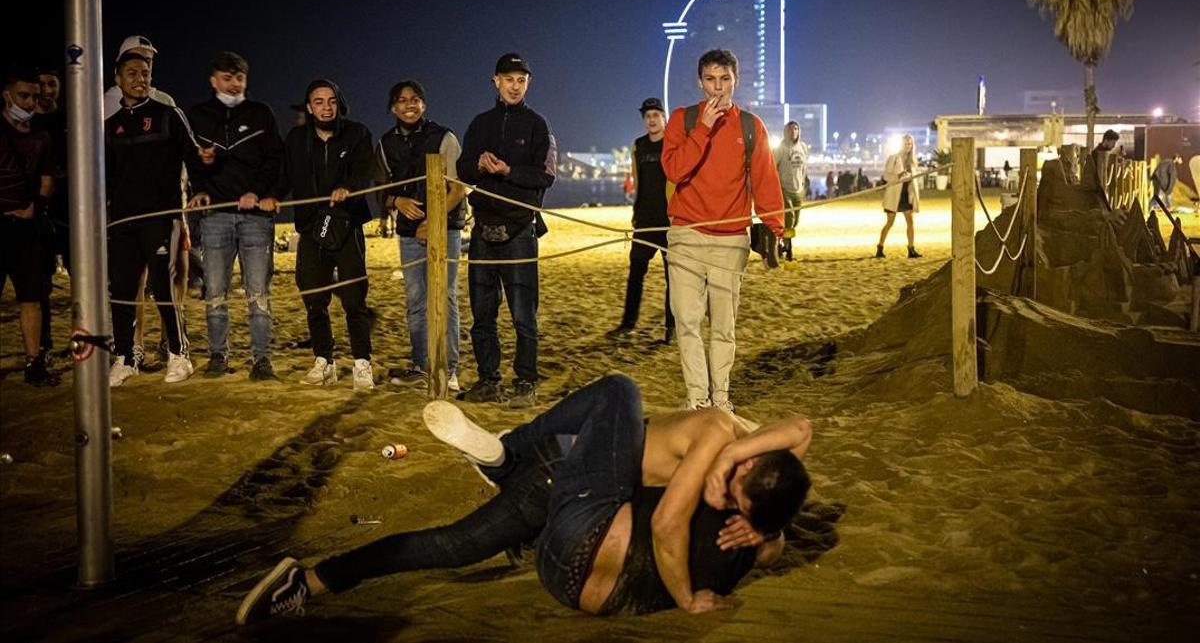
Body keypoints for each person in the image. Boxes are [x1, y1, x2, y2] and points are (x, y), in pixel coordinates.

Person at [235, 373, 812, 624]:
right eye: (734, 485)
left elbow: (796, 437)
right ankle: (506, 456)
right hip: (581, 476)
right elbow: (799, 431)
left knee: (456, 546)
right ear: (754, 457)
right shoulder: (720, 432)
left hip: (573, 476)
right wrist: (688, 599)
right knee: (621, 391)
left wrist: (760, 526)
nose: (724, 495)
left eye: (734, 502)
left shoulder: (752, 467)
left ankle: (309, 581)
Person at [661, 49, 784, 412]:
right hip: (685, 234)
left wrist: (775, 228)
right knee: (686, 320)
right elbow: (674, 171)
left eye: (725, 79)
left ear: (736, 80)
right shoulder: (682, 120)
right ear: (700, 82)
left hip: (731, 239)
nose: (718, 87)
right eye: (711, 79)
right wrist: (702, 130)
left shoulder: (750, 125)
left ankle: (721, 398)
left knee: (724, 327)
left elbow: (764, 179)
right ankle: (698, 398)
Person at [261, 80, 375, 390]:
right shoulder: (297, 139)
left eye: (331, 101)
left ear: (339, 103)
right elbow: (284, 175)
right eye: (319, 101)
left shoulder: (357, 133)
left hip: (346, 224)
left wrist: (349, 189)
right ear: (309, 107)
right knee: (313, 296)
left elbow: (366, 171)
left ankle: (362, 363)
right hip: (311, 227)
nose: (326, 106)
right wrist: (273, 196)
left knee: (354, 297)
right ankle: (324, 361)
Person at [456, 53, 556, 406]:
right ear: (495, 81)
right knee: (482, 314)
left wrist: (507, 171)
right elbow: (462, 169)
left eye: (521, 80)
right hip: (482, 230)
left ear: (528, 83)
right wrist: (478, 165)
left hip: (520, 231)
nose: (515, 86)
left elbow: (545, 175)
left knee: (523, 315)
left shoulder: (537, 124)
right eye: (509, 79)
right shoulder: (480, 122)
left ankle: (526, 381)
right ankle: (488, 380)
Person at [186, 51, 284, 381]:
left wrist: (257, 193)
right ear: (214, 80)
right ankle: (218, 356)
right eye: (227, 77)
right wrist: (202, 174)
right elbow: (189, 161)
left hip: (255, 217)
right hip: (214, 216)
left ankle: (262, 360)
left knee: (258, 292)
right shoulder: (197, 116)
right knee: (215, 292)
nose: (233, 84)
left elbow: (275, 160)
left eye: (239, 77)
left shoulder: (261, 113)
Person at [104, 52, 196, 386]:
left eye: (145, 73)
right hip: (123, 224)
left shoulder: (169, 115)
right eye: (132, 73)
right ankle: (126, 358)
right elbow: (105, 177)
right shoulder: (109, 126)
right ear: (118, 79)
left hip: (162, 218)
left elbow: (195, 157)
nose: (140, 79)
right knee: (124, 290)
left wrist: (200, 190)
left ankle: (179, 355)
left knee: (163, 287)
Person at [375, 80, 466, 392]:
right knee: (415, 299)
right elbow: (382, 191)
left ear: (424, 105)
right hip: (407, 233)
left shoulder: (443, 136)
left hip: (447, 228)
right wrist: (397, 202)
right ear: (393, 108)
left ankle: (449, 368)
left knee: (446, 296)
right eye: (402, 100)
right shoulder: (386, 143)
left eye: (415, 99)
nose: (409, 105)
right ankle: (420, 364)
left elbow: (458, 188)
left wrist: (435, 220)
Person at [1, 70, 59, 386]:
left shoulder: (41, 137)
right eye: (24, 95)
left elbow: (48, 178)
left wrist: (36, 203)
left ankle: (34, 362)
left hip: (26, 227)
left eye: (35, 97)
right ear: (7, 95)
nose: (31, 102)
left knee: (31, 298)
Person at [607, 97, 675, 344]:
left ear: (664, 117)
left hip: (670, 221)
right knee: (635, 273)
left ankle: (671, 327)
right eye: (647, 116)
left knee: (673, 279)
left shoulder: (673, 143)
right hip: (645, 220)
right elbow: (638, 183)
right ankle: (628, 323)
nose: (652, 120)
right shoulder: (638, 146)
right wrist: (636, 214)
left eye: (656, 115)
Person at [32, 67, 67, 362]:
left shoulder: (71, 119)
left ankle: (85, 337)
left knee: (84, 277)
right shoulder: (27, 123)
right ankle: (44, 345)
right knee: (41, 281)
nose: (47, 89)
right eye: (42, 83)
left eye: (52, 83)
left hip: (71, 208)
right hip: (40, 209)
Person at [875, 133, 922, 259]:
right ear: (902, 144)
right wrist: (899, 176)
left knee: (910, 222)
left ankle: (911, 249)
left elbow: (914, 180)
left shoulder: (913, 161)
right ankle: (880, 247)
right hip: (895, 194)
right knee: (890, 222)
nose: (908, 146)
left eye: (910, 143)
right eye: (906, 143)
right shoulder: (894, 158)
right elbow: (886, 176)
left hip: (907, 194)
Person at [772, 120, 807, 262]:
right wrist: (777, 186)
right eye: (790, 129)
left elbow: (804, 168)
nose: (793, 131)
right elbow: (772, 166)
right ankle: (788, 248)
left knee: (795, 222)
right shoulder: (781, 148)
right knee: (789, 218)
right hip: (784, 189)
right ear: (786, 131)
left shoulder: (803, 147)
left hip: (798, 190)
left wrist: (804, 183)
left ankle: (782, 243)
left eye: (796, 129)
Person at [1088, 129, 1122, 210]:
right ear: (1106, 140)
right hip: (1096, 189)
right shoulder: (1097, 153)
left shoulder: (1105, 154)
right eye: (1113, 143)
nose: (1114, 145)